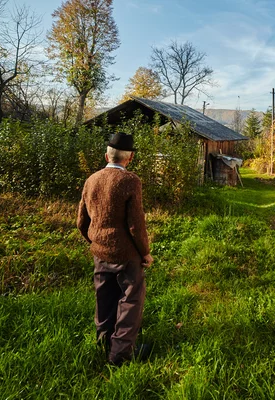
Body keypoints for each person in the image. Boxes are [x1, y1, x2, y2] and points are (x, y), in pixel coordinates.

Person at [77, 132, 154, 366]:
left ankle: (103, 342)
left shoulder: (91, 179)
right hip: (126, 255)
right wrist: (145, 253)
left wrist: (94, 241)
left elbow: (81, 220)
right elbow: (135, 224)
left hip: (99, 252)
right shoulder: (130, 180)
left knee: (104, 298)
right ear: (129, 159)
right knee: (130, 302)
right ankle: (120, 355)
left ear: (106, 155)